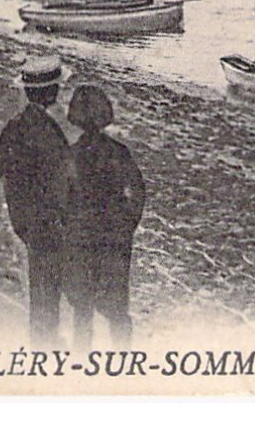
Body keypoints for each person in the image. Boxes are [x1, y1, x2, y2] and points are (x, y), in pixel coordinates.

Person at [0, 55, 74, 347]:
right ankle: (45, 342)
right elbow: (58, 181)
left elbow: (6, 175)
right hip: (47, 220)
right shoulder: (46, 132)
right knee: (48, 283)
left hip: (26, 218)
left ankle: (44, 337)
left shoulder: (16, 126)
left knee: (42, 281)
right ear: (52, 92)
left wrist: (21, 220)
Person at [64, 85, 146, 350]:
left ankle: (80, 364)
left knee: (83, 310)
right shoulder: (118, 152)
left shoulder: (72, 155)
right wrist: (128, 225)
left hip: (83, 236)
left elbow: (61, 199)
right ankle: (123, 363)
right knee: (118, 308)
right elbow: (138, 191)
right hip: (114, 237)